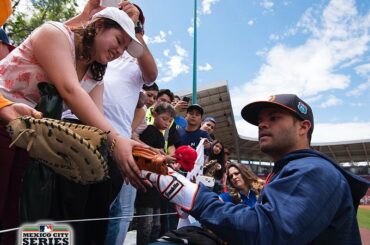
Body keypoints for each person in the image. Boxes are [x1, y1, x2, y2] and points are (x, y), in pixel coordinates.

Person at [0, 6, 148, 244]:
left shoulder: (95, 73)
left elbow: (98, 123)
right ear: (98, 26)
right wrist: (117, 141)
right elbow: (70, 90)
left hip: (27, 135)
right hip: (3, 115)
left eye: (124, 49)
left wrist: (128, 151)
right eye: (119, 40)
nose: (119, 51)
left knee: (17, 218)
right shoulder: (55, 33)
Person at [143, 94, 370, 244]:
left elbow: (266, 232)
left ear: (303, 127)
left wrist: (191, 195)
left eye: (274, 117)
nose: (262, 124)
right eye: (260, 120)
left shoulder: (313, 171)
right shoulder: (290, 169)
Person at [63, 1, 158, 244]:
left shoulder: (134, 61)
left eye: (124, 42)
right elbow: (67, 38)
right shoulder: (93, 55)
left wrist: (133, 29)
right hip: (72, 128)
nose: (118, 49)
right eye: (117, 38)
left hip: (113, 143)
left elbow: (151, 75)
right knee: (61, 209)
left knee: (98, 214)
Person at [135, 102, 176, 245]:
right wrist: (163, 158)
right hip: (147, 183)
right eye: (164, 118)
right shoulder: (150, 131)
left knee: (156, 225)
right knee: (146, 225)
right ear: (154, 114)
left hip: (155, 185)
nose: (167, 123)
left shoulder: (159, 135)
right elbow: (143, 155)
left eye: (169, 121)